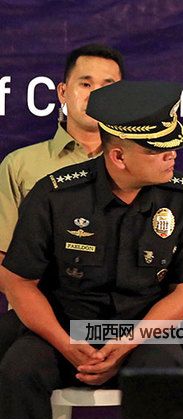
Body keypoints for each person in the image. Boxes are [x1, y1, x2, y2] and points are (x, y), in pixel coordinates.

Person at [0, 80, 183, 419]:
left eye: (173, 144)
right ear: (118, 156)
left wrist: (128, 343)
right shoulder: (55, 195)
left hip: (141, 334)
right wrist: (66, 344)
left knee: (163, 369)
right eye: (157, 150)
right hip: (64, 330)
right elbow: (19, 282)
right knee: (19, 369)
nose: (172, 154)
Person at [0, 43, 124, 358]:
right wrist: (53, 325)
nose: (96, 95)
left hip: (122, 325)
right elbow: (3, 260)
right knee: (20, 367)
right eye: (86, 84)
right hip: (38, 324)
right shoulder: (21, 166)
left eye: (108, 87)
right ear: (63, 93)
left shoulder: (139, 167)